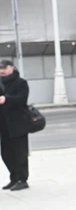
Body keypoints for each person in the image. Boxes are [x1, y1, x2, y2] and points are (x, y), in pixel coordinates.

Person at [0, 60, 31, 191]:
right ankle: (14, 178)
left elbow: (22, 99)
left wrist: (7, 99)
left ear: (12, 67)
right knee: (6, 154)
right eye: (0, 68)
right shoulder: (0, 83)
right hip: (4, 125)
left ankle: (23, 179)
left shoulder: (21, 83)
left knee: (20, 153)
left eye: (4, 68)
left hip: (18, 124)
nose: (2, 70)